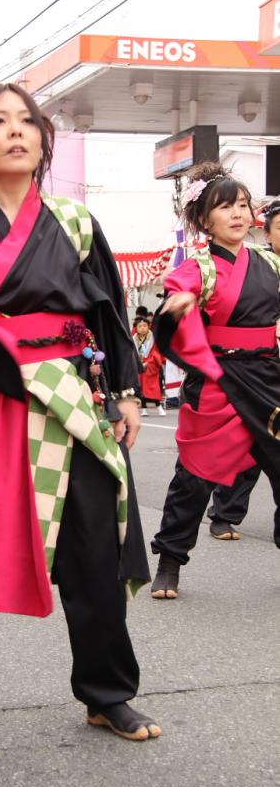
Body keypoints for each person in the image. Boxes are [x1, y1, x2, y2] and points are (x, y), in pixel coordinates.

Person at [0, 83, 159, 759]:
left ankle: (106, 694)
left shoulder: (74, 224)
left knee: (94, 553)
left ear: (43, 142)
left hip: (73, 401)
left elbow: (107, 314)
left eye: (27, 121)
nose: (15, 131)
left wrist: (128, 392)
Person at [150, 163, 280, 599]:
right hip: (218, 380)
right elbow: (175, 293)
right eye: (226, 207)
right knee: (192, 476)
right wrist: (181, 302)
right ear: (205, 218)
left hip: (268, 379)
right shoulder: (200, 267)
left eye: (243, 205)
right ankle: (170, 560)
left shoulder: (268, 260)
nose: (238, 214)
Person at [205, 198, 280, 541]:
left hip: (270, 369)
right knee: (243, 450)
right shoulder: (250, 265)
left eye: (241, 206)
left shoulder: (266, 266)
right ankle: (223, 513)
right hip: (234, 368)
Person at [133, 317, 166, 416]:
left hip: (151, 366)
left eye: (145, 326)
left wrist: (148, 362)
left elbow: (156, 352)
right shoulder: (134, 339)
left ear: (148, 327)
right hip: (139, 366)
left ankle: (159, 406)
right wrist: (138, 363)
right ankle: (144, 409)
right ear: (136, 328)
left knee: (153, 388)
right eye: (140, 326)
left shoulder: (153, 338)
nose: (142, 328)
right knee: (141, 388)